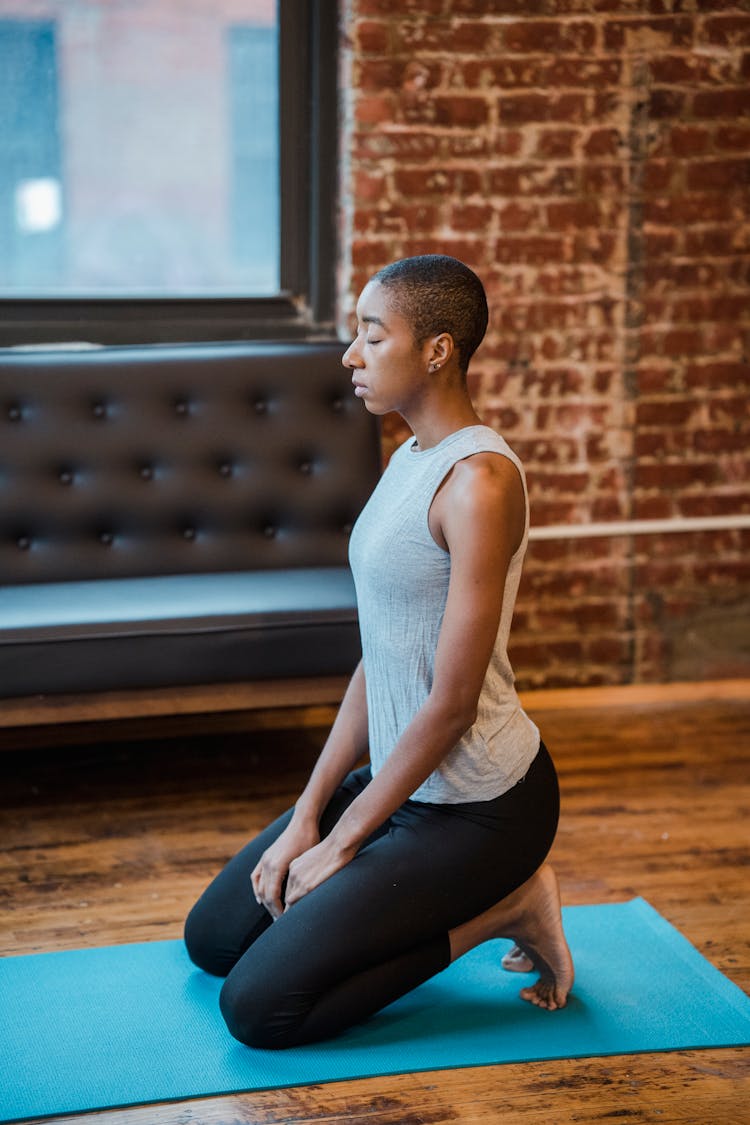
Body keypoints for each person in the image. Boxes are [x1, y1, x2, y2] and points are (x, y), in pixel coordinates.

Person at [184, 254, 574, 1049]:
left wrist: (343, 841)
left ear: (435, 350)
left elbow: (453, 703)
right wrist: (306, 816)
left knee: (258, 1009)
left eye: (370, 334)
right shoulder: (406, 459)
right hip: (399, 782)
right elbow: (383, 653)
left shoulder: (480, 483)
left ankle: (504, 908)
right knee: (216, 938)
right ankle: (383, 861)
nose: (350, 355)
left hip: (479, 810)